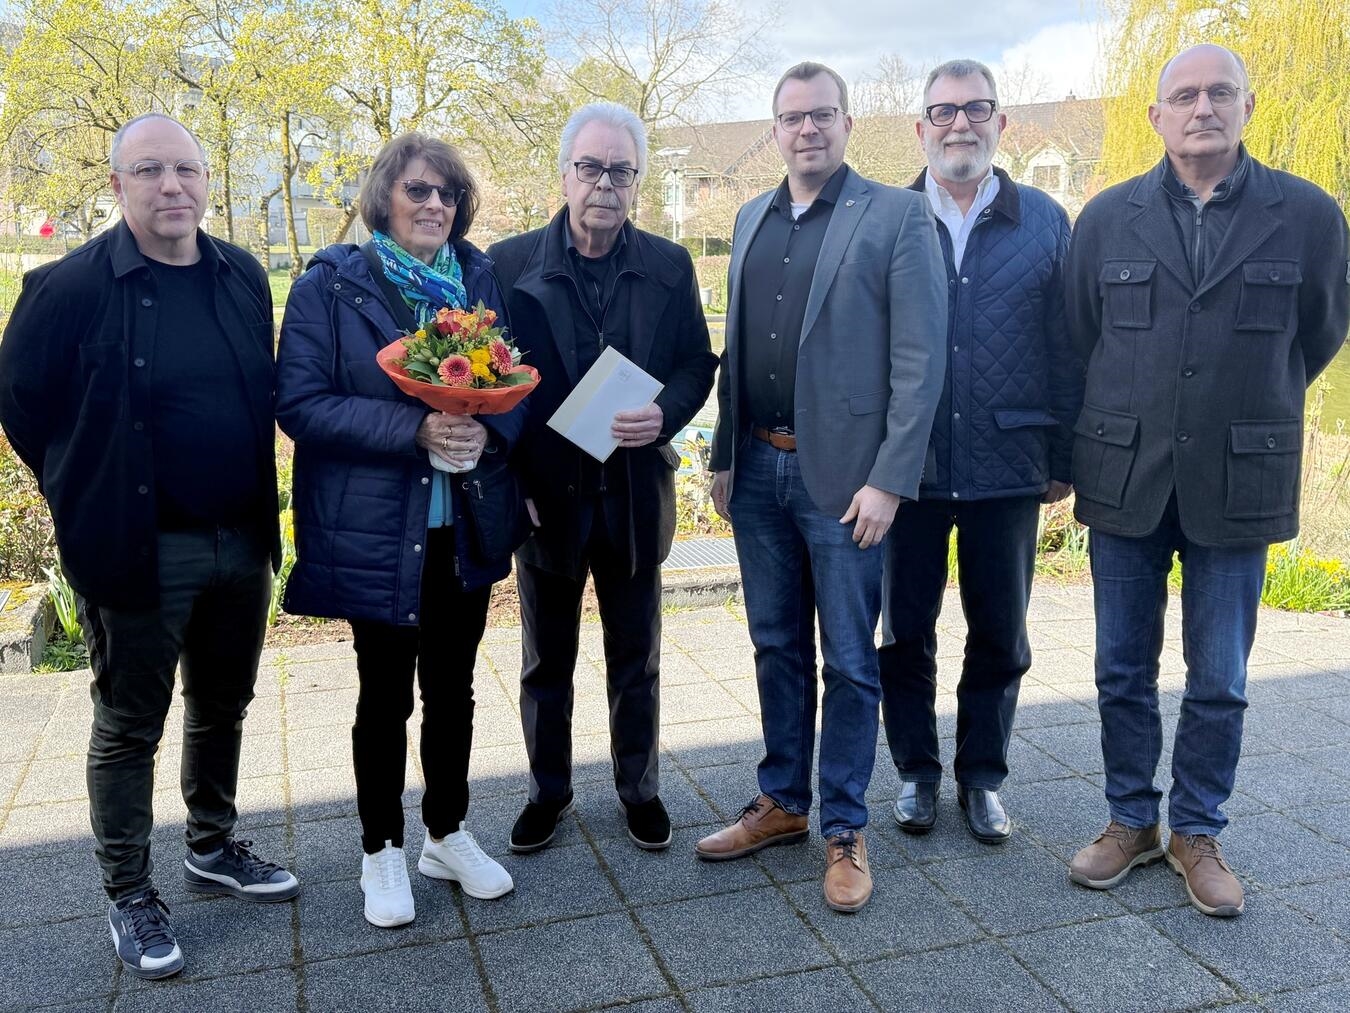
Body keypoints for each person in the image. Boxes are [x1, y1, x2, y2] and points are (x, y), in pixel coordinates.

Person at [0, 113, 297, 979]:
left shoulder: (242, 274)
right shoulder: (67, 287)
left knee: (224, 701)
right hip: (136, 549)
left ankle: (211, 842)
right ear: (118, 185)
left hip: (240, 538)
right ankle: (128, 889)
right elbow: (22, 404)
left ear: (206, 181)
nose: (173, 186)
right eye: (150, 171)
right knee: (130, 722)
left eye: (187, 170)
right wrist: (76, 485)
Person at [1065, 44, 1349, 917]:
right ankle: (1129, 819)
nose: (1201, 108)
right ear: (1155, 116)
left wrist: (1243, 400)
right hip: (1126, 472)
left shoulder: (1306, 215)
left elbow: (1320, 332)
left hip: (1238, 476)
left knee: (1219, 672)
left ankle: (1197, 830)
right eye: (1182, 95)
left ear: (1247, 105)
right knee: (1120, 665)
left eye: (1219, 92)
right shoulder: (1108, 217)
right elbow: (1082, 337)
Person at [696, 62, 948, 913]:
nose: (806, 129)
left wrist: (889, 478)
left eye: (821, 115)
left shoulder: (897, 216)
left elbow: (921, 362)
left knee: (849, 657)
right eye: (791, 117)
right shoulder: (748, 216)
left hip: (845, 483)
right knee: (774, 644)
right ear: (774, 129)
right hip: (757, 471)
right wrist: (724, 456)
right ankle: (782, 801)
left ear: (847, 122)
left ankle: (845, 824)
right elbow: (737, 351)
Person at [276, 132, 529, 928]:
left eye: (448, 194)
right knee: (383, 695)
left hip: (463, 526)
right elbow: (300, 404)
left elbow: (516, 384)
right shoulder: (332, 285)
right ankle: (380, 849)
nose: (434, 205)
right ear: (384, 198)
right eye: (418, 190)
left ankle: (446, 831)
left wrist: (488, 430)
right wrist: (413, 429)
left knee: (453, 691)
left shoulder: (478, 278)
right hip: (380, 531)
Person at [488, 102, 717, 854]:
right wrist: (509, 474)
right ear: (564, 174)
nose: (605, 184)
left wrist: (666, 414)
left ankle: (638, 789)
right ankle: (547, 792)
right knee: (545, 660)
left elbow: (694, 364)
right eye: (591, 167)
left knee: (637, 657)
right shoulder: (511, 264)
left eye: (621, 170)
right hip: (546, 497)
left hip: (630, 494)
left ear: (638, 183)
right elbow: (490, 386)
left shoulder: (669, 266)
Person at [879, 60, 1081, 844]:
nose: (959, 124)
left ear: (1004, 123)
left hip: (1009, 462)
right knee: (905, 630)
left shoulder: (1044, 221)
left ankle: (983, 776)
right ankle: (917, 773)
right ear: (919, 127)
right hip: (911, 466)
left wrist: (1062, 453)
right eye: (943, 111)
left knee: (1001, 630)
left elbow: (1068, 347)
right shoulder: (889, 216)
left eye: (976, 109)